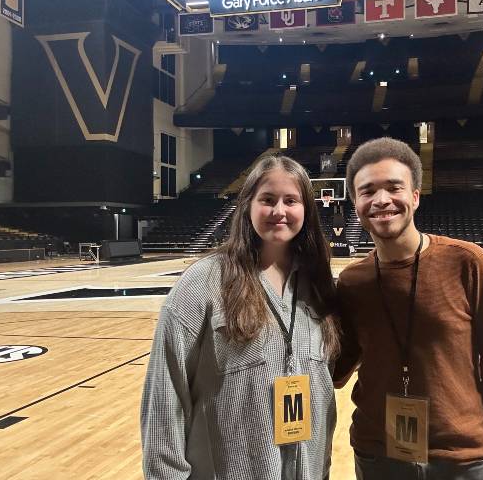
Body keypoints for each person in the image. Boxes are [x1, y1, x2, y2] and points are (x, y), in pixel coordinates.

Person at [141, 155, 340, 479]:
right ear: (248, 205)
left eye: (291, 200)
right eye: (268, 199)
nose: (279, 210)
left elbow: (324, 400)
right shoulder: (202, 283)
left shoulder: (318, 289)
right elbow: (165, 398)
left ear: (306, 210)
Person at [334, 137, 483, 480]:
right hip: (377, 453)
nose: (381, 200)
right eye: (368, 191)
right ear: (355, 202)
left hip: (459, 456)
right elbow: (337, 368)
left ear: (415, 197)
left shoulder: (466, 262)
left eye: (393, 187)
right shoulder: (352, 282)